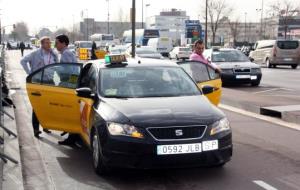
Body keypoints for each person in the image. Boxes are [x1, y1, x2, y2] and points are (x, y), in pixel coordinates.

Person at [20, 36, 58, 138]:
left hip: (50, 82)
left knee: (48, 105)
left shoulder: (53, 53)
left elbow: (57, 66)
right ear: (42, 44)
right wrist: (30, 73)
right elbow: (23, 61)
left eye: (50, 43)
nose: (49, 44)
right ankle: (36, 129)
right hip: (38, 82)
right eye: (47, 43)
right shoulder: (35, 53)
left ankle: (46, 125)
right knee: (37, 105)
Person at [55, 34, 80, 146]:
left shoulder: (66, 53)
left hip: (69, 85)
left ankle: (72, 138)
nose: (56, 45)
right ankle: (72, 136)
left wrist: (69, 84)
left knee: (69, 111)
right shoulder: (67, 53)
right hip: (70, 84)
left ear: (63, 43)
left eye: (57, 43)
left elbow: (72, 70)